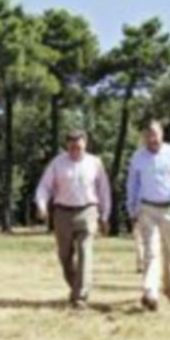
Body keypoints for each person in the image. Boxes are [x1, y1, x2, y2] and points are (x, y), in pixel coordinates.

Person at [35, 129, 111, 308]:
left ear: (85, 143)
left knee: (85, 252)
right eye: (72, 145)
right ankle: (76, 286)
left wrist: (105, 215)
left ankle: (80, 296)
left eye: (79, 145)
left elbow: (104, 191)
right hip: (62, 212)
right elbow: (44, 187)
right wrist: (41, 205)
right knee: (65, 256)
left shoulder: (95, 163)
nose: (76, 149)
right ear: (67, 145)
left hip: (88, 210)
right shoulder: (57, 163)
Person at [126, 120, 170, 312]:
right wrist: (132, 209)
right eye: (148, 136)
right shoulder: (138, 157)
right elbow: (132, 185)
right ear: (143, 138)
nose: (152, 139)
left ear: (162, 135)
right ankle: (151, 292)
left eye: (155, 135)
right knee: (151, 251)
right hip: (148, 208)